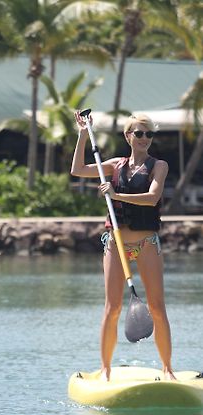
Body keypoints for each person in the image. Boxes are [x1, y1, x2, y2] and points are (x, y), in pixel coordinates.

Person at [71, 111, 175, 382]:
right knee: (112, 307)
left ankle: (168, 369)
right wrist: (83, 134)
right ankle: (105, 370)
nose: (144, 139)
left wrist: (116, 195)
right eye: (139, 133)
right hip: (115, 243)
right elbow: (78, 170)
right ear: (128, 136)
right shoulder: (115, 164)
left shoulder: (158, 166)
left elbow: (153, 198)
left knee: (157, 307)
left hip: (146, 242)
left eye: (149, 134)